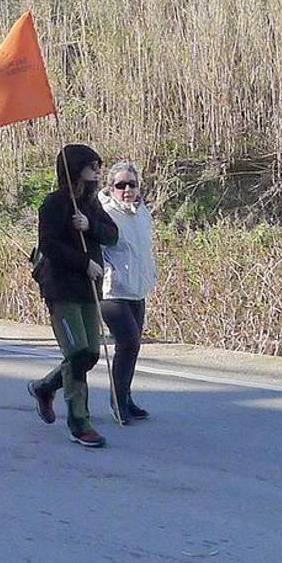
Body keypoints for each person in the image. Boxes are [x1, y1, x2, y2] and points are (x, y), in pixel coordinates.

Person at [26, 144, 118, 448]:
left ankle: (45, 387)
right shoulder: (53, 204)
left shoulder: (92, 204)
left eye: (98, 168)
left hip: (88, 288)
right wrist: (83, 263)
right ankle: (80, 422)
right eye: (92, 168)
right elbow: (49, 245)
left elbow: (112, 234)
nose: (97, 173)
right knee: (77, 353)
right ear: (75, 170)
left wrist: (89, 225)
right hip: (61, 288)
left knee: (90, 352)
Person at [98, 161, 157, 424]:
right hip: (113, 291)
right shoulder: (104, 213)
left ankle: (126, 398)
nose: (127, 190)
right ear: (110, 188)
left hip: (137, 289)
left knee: (133, 347)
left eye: (131, 184)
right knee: (128, 343)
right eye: (120, 185)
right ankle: (117, 402)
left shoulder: (141, 212)